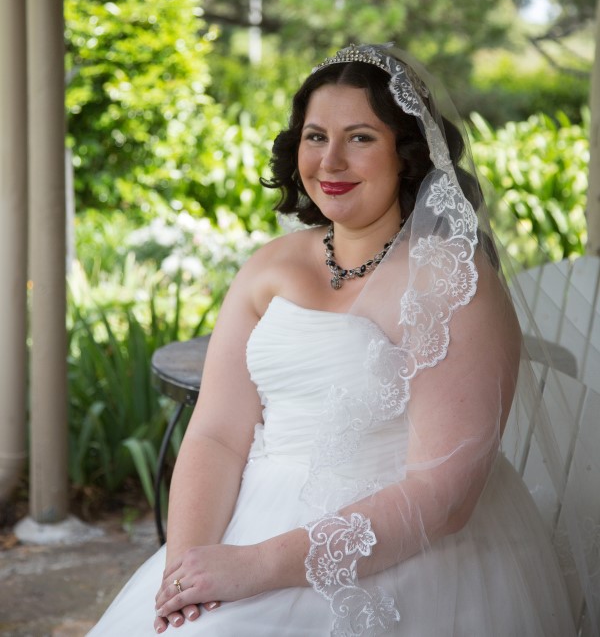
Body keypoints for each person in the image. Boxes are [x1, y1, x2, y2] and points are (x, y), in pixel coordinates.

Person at [89, 43, 586, 636]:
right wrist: (186, 571)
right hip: (244, 528)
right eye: (315, 136)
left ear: (407, 153)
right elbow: (219, 434)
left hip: (402, 551)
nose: (330, 162)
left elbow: (444, 496)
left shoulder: (454, 280)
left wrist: (254, 567)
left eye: (360, 138)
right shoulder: (267, 268)